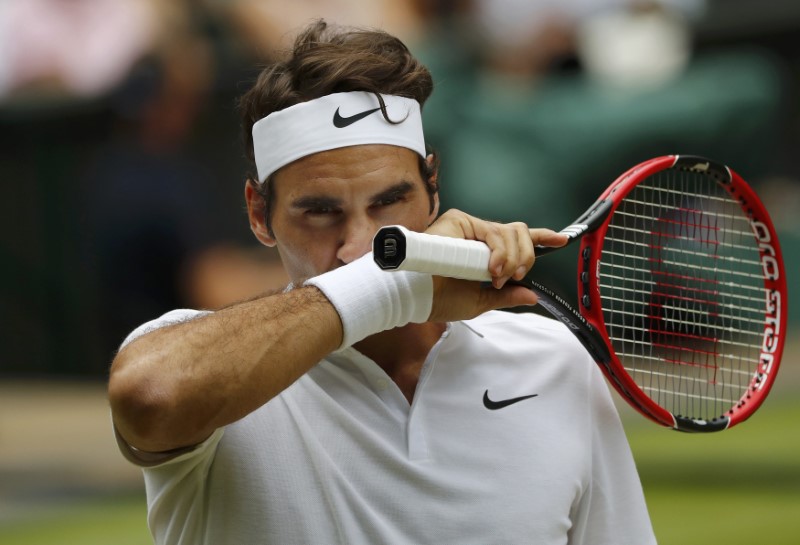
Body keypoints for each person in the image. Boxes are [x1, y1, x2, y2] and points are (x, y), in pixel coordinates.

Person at [108, 19, 656, 545]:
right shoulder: (208, 367)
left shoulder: (556, 360)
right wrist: (395, 287)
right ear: (258, 214)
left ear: (433, 188)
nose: (359, 247)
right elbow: (150, 398)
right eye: (319, 212)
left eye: (389, 202)